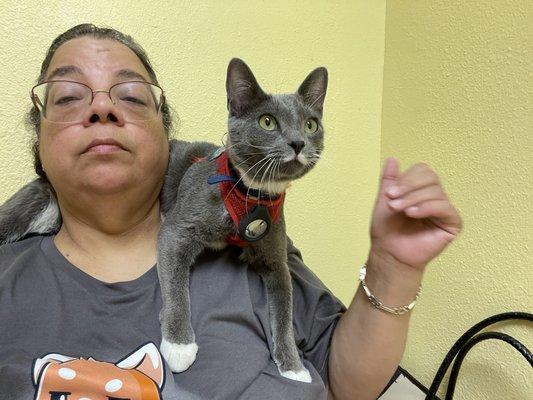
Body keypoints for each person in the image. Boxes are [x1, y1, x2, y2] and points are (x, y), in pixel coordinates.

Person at [0, 24, 462, 400]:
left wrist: (392, 266)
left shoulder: (254, 231)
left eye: (131, 95)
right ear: (37, 140)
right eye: (68, 96)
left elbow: (347, 383)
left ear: (168, 137)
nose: (102, 107)